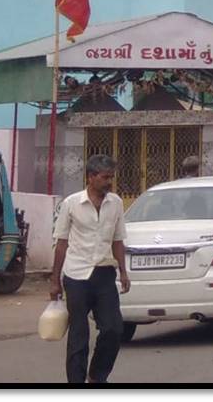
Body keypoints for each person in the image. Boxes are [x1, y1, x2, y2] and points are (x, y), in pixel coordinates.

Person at [50, 154, 130, 385]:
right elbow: (61, 242)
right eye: (105, 177)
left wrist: (123, 271)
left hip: (104, 273)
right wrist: (55, 280)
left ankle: (97, 376)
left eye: (111, 178)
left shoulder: (115, 203)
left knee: (113, 329)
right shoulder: (71, 203)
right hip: (76, 276)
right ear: (91, 177)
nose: (109, 182)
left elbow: (117, 240)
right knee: (79, 334)